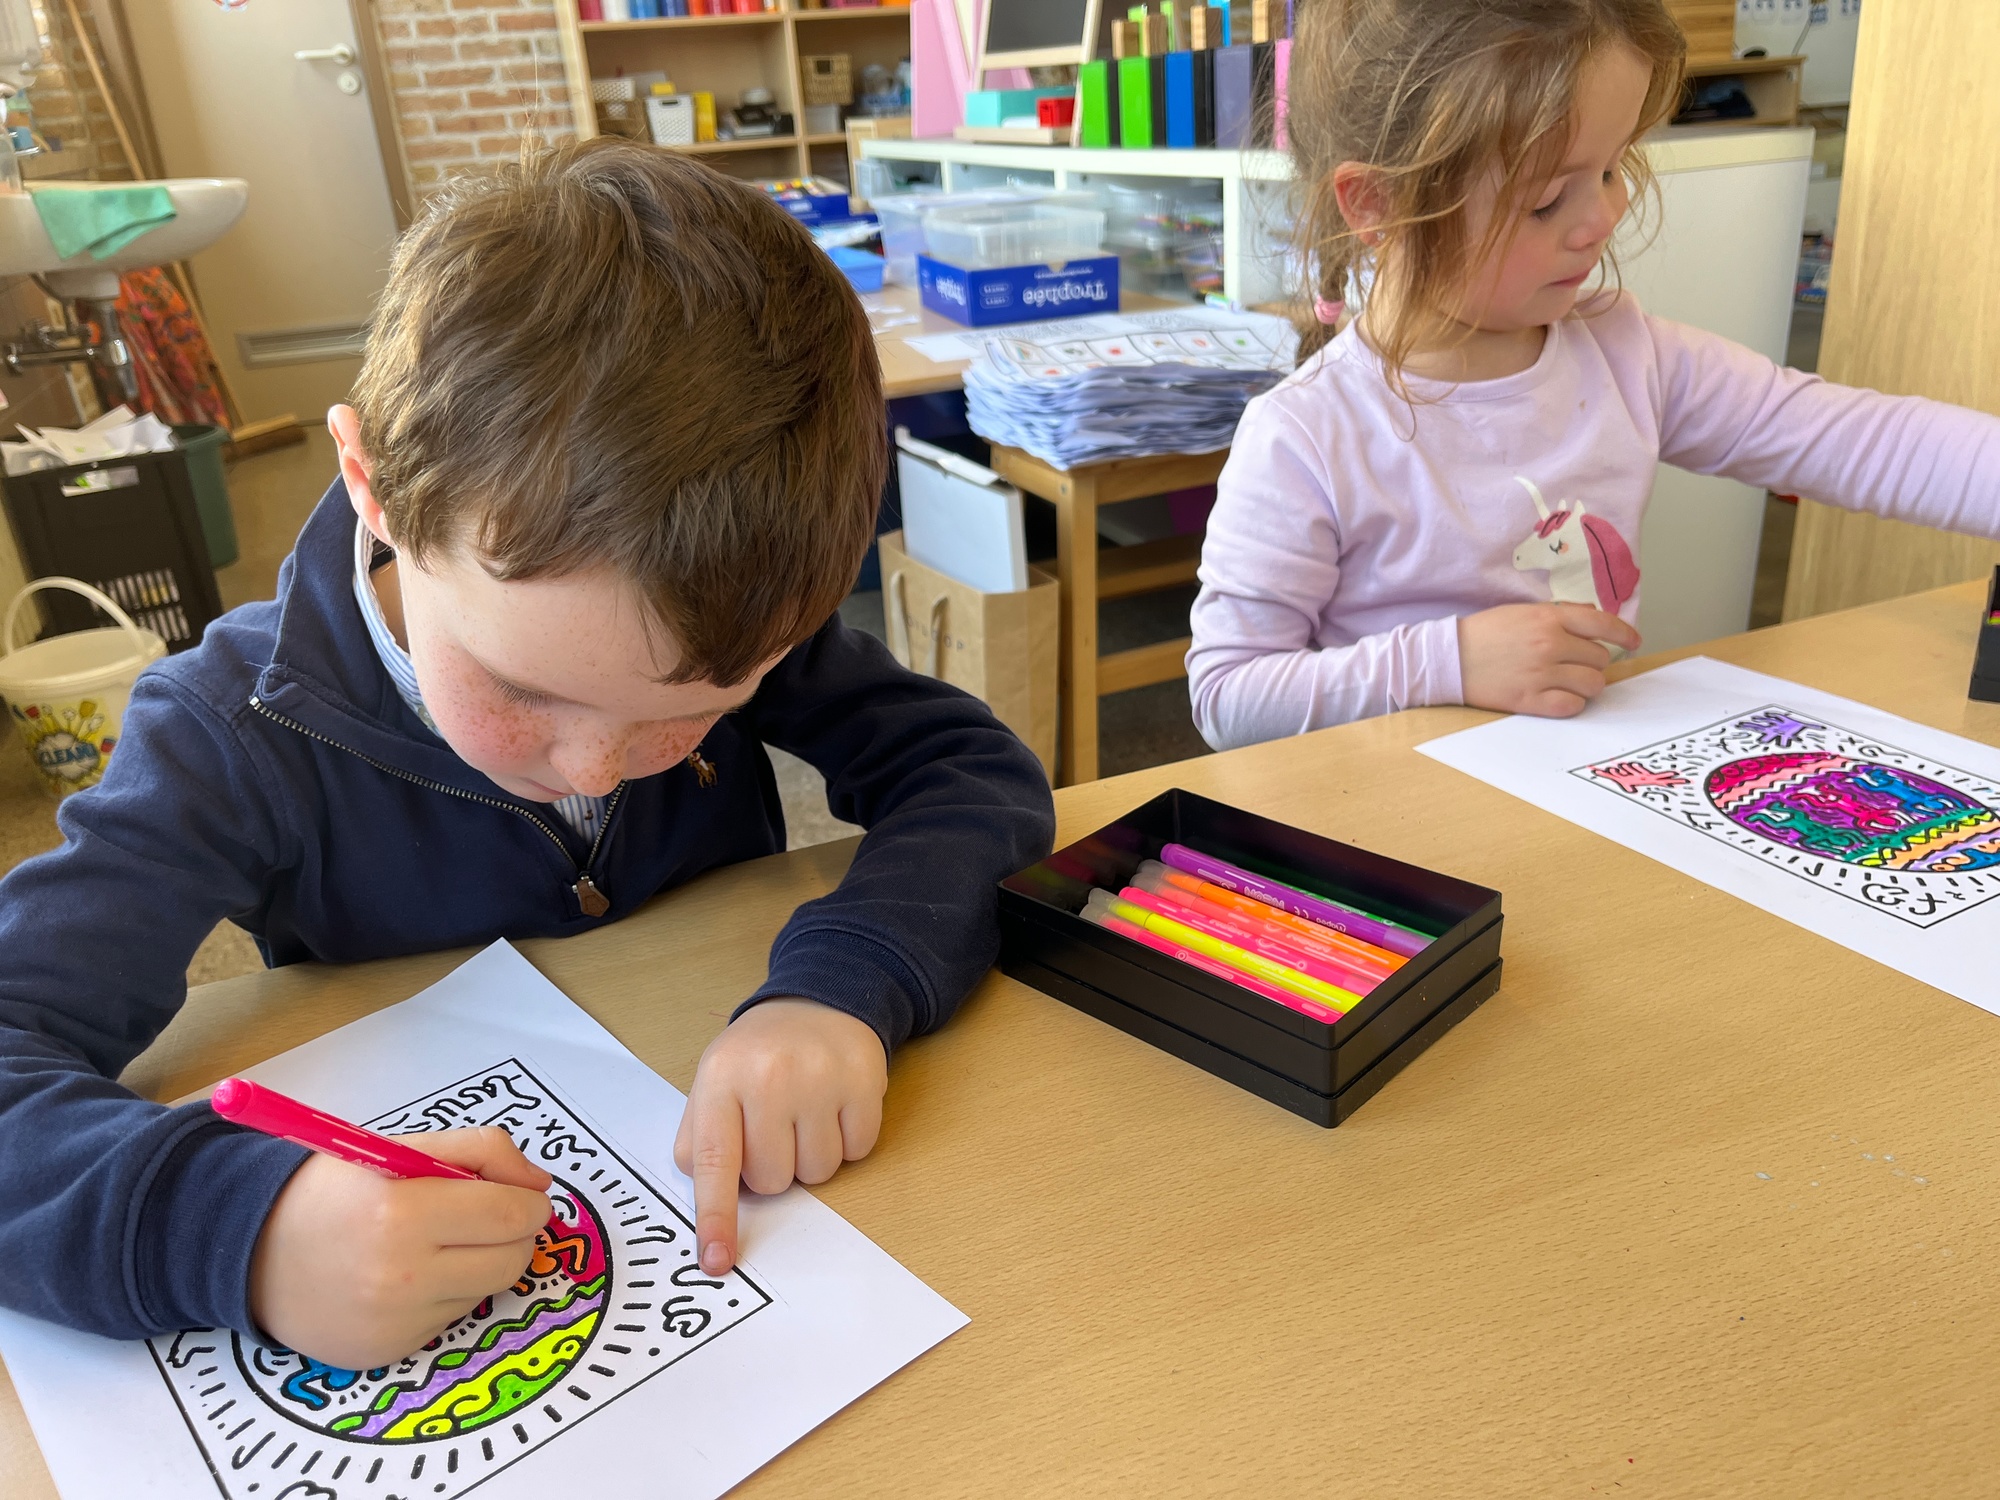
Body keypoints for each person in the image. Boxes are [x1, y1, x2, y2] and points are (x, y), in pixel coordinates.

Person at [0, 140, 1054, 1370]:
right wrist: (244, 1231)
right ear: (374, 486)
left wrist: (843, 985)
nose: (599, 770)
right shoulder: (223, 735)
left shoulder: (727, 608)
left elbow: (970, 772)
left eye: (698, 710)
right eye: (523, 691)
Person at [1188, 0, 2000, 749]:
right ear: (1377, 204)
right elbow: (1229, 697)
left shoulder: (1625, 352)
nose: (1604, 217)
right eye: (1547, 200)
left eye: (1612, 169)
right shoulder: (1305, 434)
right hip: (1390, 824)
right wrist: (1451, 662)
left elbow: (1855, 439)